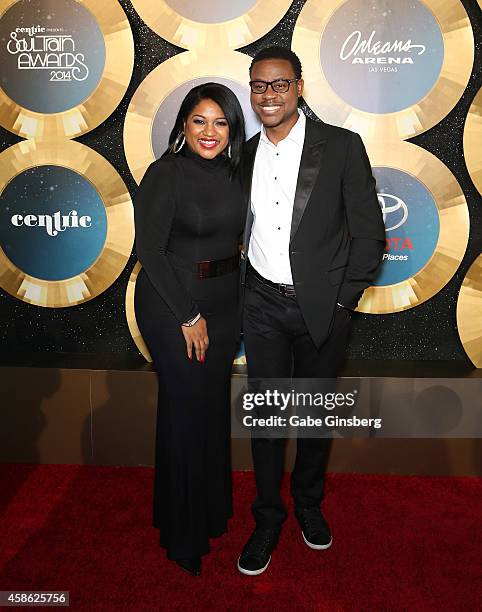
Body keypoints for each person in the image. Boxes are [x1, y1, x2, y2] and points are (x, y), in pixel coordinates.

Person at [237, 46, 385, 575]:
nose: (268, 94)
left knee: (315, 417)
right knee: (268, 418)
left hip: (324, 309)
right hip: (261, 307)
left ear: (299, 87)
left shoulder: (341, 147)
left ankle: (307, 505)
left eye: (278, 84)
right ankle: (267, 518)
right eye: (258, 85)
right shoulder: (244, 153)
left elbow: (369, 233)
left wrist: (344, 300)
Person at [134, 83, 246, 576]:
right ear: (182, 124)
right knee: (185, 413)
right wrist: (188, 315)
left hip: (224, 303)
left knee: (210, 409)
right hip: (172, 304)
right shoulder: (166, 174)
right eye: (199, 120)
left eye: (220, 122)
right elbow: (151, 252)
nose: (209, 131)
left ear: (232, 129)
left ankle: (210, 511)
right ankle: (183, 535)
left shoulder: (240, 173)